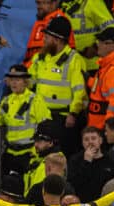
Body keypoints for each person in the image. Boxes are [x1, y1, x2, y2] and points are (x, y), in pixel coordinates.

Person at [0, 65, 51, 175]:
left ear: (26, 82)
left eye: (17, 80)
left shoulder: (35, 100)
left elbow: (47, 128)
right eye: (12, 80)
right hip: (10, 154)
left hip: (30, 155)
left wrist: (40, 152)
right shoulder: (6, 101)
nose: (14, 83)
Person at [28, 16, 87, 155]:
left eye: (47, 37)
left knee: (63, 155)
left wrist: (73, 113)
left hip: (63, 118)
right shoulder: (39, 57)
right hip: (42, 117)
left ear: (57, 40)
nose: (44, 40)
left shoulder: (74, 59)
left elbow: (80, 91)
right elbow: (30, 83)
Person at [87, 27, 114, 130]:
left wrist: (109, 126)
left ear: (113, 45)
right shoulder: (107, 65)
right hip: (97, 125)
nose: (98, 45)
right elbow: (101, 87)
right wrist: (88, 80)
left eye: (102, 42)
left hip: (103, 127)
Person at [67, 126, 114, 204]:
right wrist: (87, 162)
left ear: (100, 140)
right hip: (82, 203)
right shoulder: (75, 160)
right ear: (82, 143)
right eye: (86, 139)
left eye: (93, 138)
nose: (90, 142)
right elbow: (74, 183)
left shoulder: (110, 161)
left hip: (104, 203)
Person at [23, 0, 75, 67]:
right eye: (38, 3)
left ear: (54, 3)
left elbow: (67, 51)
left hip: (48, 70)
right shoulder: (40, 21)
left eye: (43, 3)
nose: (39, 6)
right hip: (32, 68)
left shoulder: (60, 22)